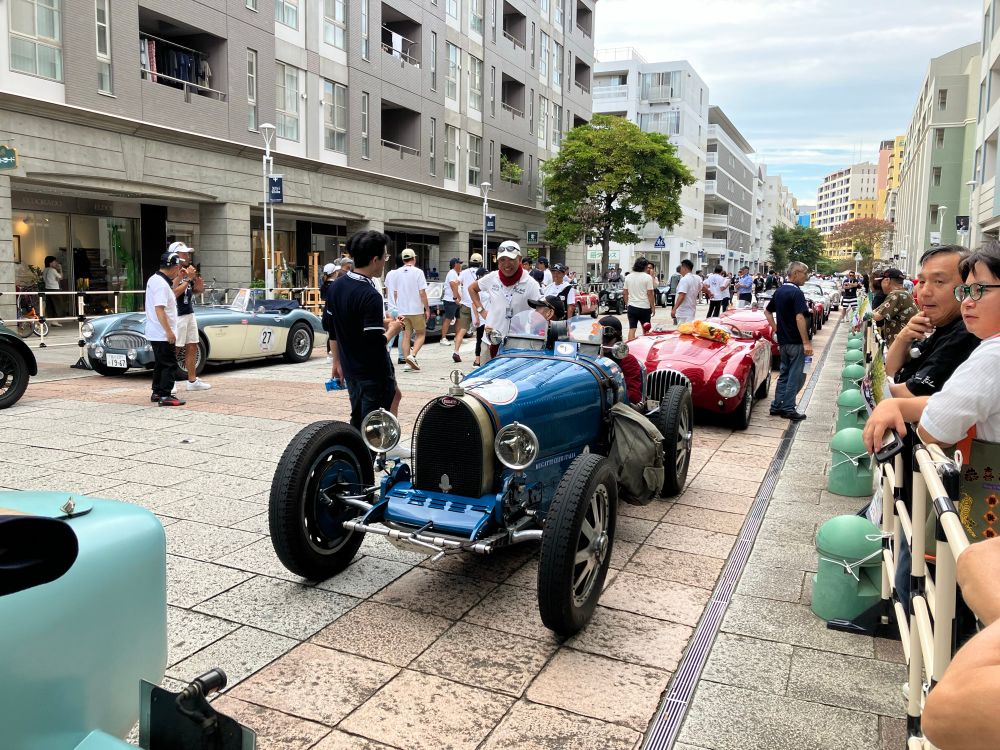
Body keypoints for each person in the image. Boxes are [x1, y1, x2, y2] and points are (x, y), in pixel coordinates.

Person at [327, 230, 405, 429]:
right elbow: (374, 344)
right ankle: (372, 456)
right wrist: (394, 329)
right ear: (374, 260)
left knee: (378, 405)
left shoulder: (337, 285)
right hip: (372, 371)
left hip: (351, 366)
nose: (385, 261)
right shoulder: (370, 294)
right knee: (371, 423)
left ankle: (383, 448)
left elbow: (332, 326)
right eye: (385, 257)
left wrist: (337, 361)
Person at [883, 246, 979, 400]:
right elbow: (891, 369)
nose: (925, 291)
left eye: (939, 281)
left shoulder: (965, 333)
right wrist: (905, 335)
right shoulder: (942, 326)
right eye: (921, 281)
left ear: (966, 288)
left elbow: (908, 396)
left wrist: (875, 385)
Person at [467, 240, 542, 361]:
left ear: (519, 259)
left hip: (519, 345)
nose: (507, 264)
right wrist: (481, 310)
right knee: (486, 379)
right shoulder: (493, 277)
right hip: (490, 341)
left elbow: (540, 311)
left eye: (511, 259)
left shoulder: (530, 283)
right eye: (502, 260)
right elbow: (472, 288)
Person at [764, 261, 813, 420]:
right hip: (795, 341)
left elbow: (767, 311)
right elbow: (800, 317)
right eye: (805, 273)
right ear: (796, 273)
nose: (806, 277)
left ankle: (776, 405)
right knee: (794, 375)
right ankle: (788, 408)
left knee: (784, 373)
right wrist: (806, 342)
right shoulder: (796, 293)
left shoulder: (779, 291)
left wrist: (777, 328)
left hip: (783, 342)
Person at [170, 242, 210, 392]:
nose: (187, 256)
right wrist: (188, 279)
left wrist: (197, 287)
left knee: (192, 344)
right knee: (177, 347)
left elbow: (190, 291)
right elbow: (172, 293)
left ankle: (192, 381)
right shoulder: (172, 272)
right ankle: (170, 380)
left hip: (188, 312)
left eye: (187, 253)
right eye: (184, 253)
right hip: (177, 314)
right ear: (176, 255)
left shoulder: (187, 271)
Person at [145, 251, 184, 406]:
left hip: (154, 330)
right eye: (177, 266)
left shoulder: (155, 279)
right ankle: (165, 395)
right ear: (173, 267)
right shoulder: (161, 284)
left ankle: (157, 392)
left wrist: (179, 279)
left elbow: (168, 292)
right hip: (162, 332)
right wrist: (169, 331)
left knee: (160, 363)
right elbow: (159, 309)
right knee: (169, 363)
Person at [391, 248, 430, 372]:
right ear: (414, 258)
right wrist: (427, 308)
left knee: (406, 335)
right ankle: (412, 356)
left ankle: (407, 363)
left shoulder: (396, 273)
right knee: (421, 333)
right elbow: (422, 292)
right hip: (417, 309)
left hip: (403, 310)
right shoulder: (418, 272)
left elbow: (395, 293)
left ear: (403, 259)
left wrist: (400, 305)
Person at [598, 315, 643, 404]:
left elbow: (634, 396)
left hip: (615, 408)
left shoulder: (627, 361)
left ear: (617, 339)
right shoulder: (591, 355)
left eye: (607, 341)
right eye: (600, 340)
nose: (603, 343)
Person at [870, 267, 918, 347]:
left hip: (901, 345)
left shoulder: (896, 294)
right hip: (906, 342)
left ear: (887, 281)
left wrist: (864, 314)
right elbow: (878, 310)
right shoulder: (904, 293)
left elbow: (878, 316)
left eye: (881, 281)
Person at [453, 252, 483, 364]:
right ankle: (478, 356)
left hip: (465, 304)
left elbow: (455, 283)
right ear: (480, 262)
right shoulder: (482, 272)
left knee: (463, 329)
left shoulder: (464, 272)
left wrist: (456, 297)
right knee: (480, 330)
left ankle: (456, 351)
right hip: (477, 304)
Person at [623, 257, 655, 341]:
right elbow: (650, 294)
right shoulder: (647, 277)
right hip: (644, 307)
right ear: (644, 266)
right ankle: (645, 347)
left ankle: (630, 348)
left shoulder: (628, 277)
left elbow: (625, 292)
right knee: (646, 329)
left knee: (632, 329)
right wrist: (653, 307)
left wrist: (627, 304)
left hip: (632, 306)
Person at [671, 259, 701, 325]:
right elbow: (702, 287)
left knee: (683, 331)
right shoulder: (696, 278)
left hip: (683, 313)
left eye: (681, 267)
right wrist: (709, 293)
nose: (680, 269)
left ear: (684, 268)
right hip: (691, 311)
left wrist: (674, 309)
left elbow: (682, 295)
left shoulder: (684, 279)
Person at [440, 257, 462, 345]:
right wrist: (456, 298)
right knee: (448, 319)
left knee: (459, 319)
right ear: (455, 264)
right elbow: (453, 286)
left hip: (455, 300)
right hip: (450, 300)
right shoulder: (452, 273)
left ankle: (457, 337)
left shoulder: (455, 274)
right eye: (459, 263)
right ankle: (443, 338)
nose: (460, 265)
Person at [472, 265, 490, 367]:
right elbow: (474, 303)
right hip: (481, 318)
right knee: (480, 339)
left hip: (489, 317)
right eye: (485, 275)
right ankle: (477, 360)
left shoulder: (488, 286)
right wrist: (477, 317)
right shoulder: (477, 288)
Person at [321, 262, 338, 363]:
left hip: (326, 311)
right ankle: (335, 355)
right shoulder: (336, 285)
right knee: (336, 334)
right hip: (335, 311)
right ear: (334, 272)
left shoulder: (323, 285)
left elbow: (323, 297)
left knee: (330, 334)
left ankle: (329, 354)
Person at [42, 255, 63, 325]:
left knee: (50, 305)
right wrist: (60, 269)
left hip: (47, 289)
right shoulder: (53, 270)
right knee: (57, 305)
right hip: (55, 290)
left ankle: (51, 321)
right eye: (54, 262)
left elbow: (46, 279)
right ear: (50, 263)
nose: (56, 263)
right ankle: (55, 321)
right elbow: (60, 277)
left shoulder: (45, 270)